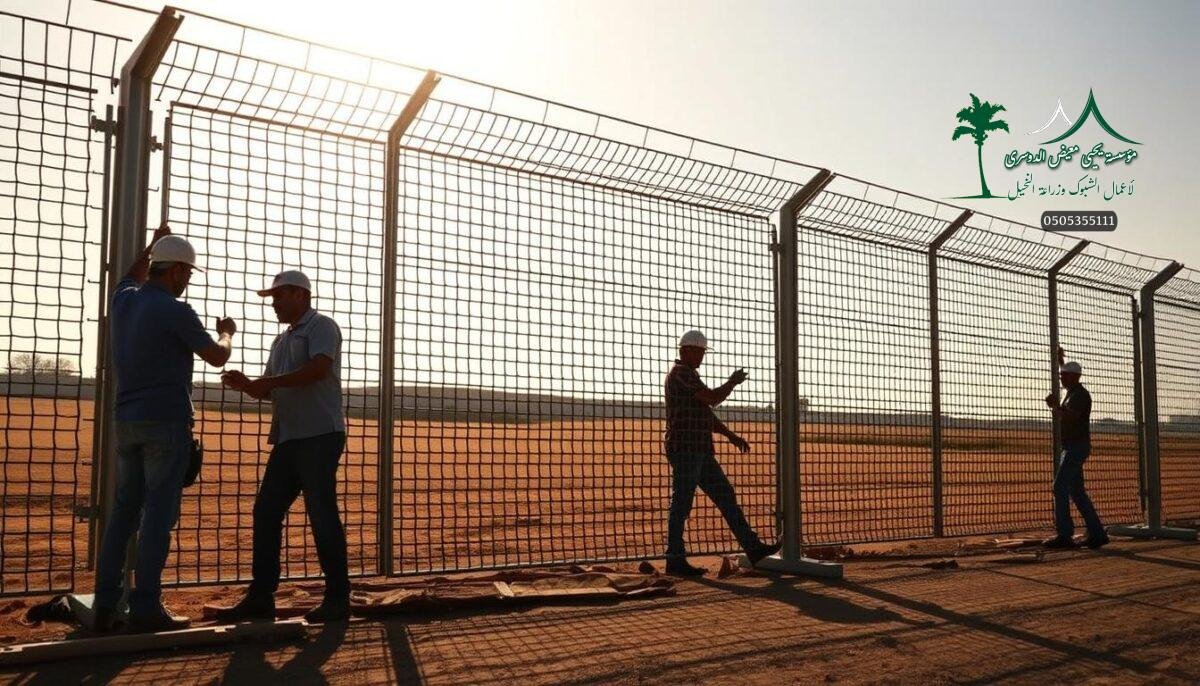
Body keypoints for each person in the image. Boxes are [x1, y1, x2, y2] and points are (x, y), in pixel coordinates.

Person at [94, 226, 237, 632]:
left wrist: (151, 243)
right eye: (187, 274)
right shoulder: (177, 311)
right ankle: (145, 607)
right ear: (174, 271)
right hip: (166, 420)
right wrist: (227, 332)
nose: (187, 281)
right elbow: (214, 356)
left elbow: (129, 276)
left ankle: (106, 604)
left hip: (128, 421)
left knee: (124, 513)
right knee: (158, 514)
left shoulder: (123, 301)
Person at [215, 270, 350, 623]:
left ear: (300, 295)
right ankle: (262, 595)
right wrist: (247, 385)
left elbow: (318, 370)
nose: (273, 304)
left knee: (321, 514)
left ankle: (338, 598)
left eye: (278, 297)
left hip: (320, 434)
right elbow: (270, 389)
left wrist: (264, 383)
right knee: (267, 510)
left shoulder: (322, 327)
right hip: (291, 437)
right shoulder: (281, 341)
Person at [663, 329, 781, 576]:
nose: (702, 357)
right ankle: (674, 559)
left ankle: (753, 548)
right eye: (700, 351)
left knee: (725, 496)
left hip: (700, 451)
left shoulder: (689, 375)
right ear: (686, 350)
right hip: (687, 450)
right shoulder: (681, 374)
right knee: (682, 503)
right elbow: (712, 399)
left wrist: (731, 436)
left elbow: (706, 413)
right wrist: (732, 382)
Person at [1043, 346, 1109, 550]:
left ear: (1074, 377)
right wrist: (1060, 360)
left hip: (1075, 447)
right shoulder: (1072, 390)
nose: (1061, 379)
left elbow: (1072, 416)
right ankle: (1097, 533)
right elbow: (1067, 373)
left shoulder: (1080, 395)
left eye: (1064, 376)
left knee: (1059, 487)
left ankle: (1065, 534)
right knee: (1077, 491)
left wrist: (1055, 406)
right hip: (1073, 447)